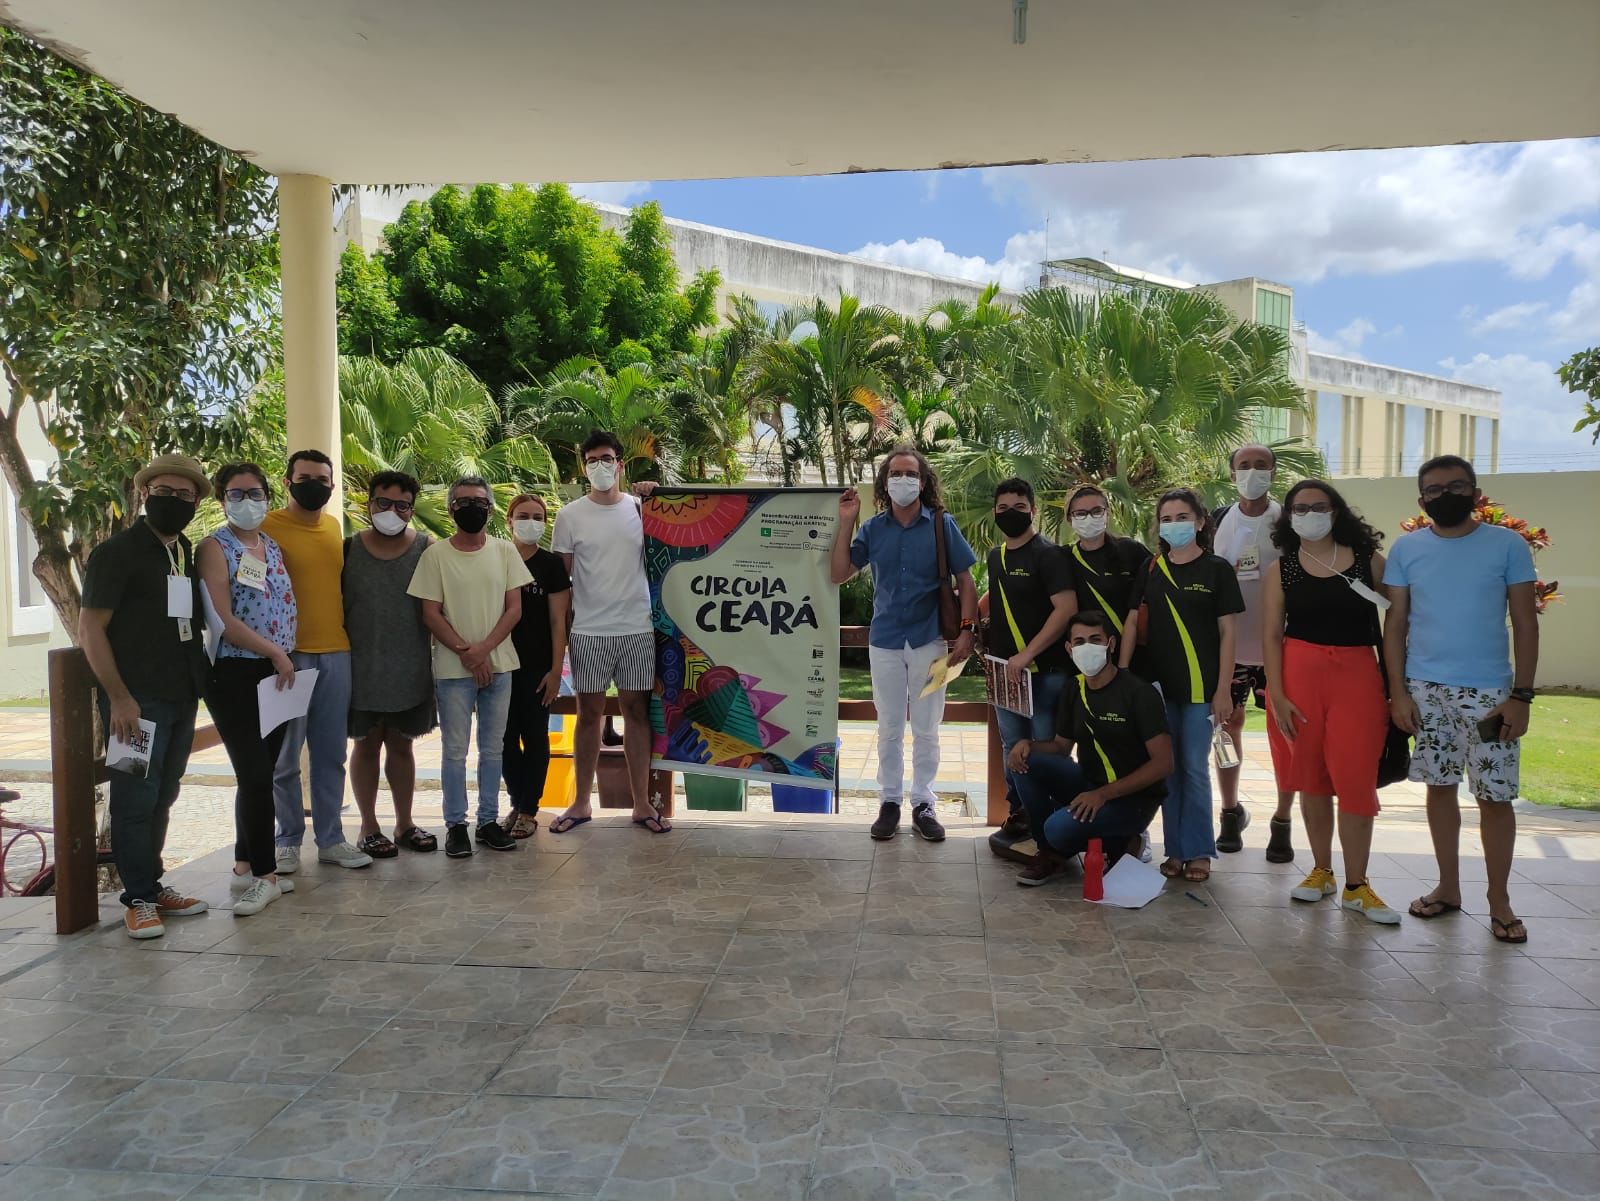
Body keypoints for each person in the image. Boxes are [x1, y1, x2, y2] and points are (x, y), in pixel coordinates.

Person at [1385, 455, 1539, 944]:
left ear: (1475, 492)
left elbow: (1526, 623)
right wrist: (1398, 692)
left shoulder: (1508, 545)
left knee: (1495, 797)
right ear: (1421, 500)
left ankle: (1500, 900)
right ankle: (1448, 888)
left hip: (1492, 694)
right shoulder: (1407, 549)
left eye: (1456, 486)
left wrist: (1521, 696)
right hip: (1425, 691)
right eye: (1434, 489)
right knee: (1439, 788)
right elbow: (1396, 624)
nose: (1445, 495)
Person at [79, 453, 212, 938]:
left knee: (164, 794)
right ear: (144, 495)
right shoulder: (116, 554)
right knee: (134, 798)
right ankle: (136, 898)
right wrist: (119, 697)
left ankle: (152, 886)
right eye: (164, 492)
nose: (174, 501)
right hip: (134, 704)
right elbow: (90, 629)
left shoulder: (184, 552)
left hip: (180, 697)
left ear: (196, 502)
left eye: (184, 494)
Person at [1262, 480, 1399, 923]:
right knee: (1312, 778)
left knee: (1356, 778)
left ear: (1336, 512)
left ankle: (1358, 884)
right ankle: (1321, 870)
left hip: (1357, 676)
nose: (1309, 515)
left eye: (1318, 506)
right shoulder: (1282, 569)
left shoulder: (1368, 561)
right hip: (1299, 676)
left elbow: (1399, 616)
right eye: (1299, 508)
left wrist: (1398, 683)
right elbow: (1271, 634)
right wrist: (1277, 694)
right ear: (1288, 517)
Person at [832, 445, 978, 842]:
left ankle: (924, 803)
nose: (903, 480)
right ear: (884, 482)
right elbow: (839, 573)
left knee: (928, 726)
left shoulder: (941, 524)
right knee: (889, 725)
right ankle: (890, 801)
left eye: (911, 474)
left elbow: (966, 580)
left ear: (923, 481)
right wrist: (847, 521)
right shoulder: (873, 528)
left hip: (931, 642)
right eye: (895, 473)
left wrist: (967, 631)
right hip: (885, 642)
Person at [547, 431, 667, 834]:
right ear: (584, 468)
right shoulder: (569, 516)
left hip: (637, 629)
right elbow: (560, 585)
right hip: (589, 632)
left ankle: (641, 804)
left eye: (607, 459)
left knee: (636, 713)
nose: (600, 466)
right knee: (588, 716)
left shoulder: (641, 508)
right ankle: (581, 803)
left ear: (620, 464)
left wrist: (653, 493)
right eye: (592, 460)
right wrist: (562, 637)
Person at [1123, 488, 1243, 883]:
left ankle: (1199, 851)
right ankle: (1174, 850)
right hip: (1158, 689)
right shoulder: (1152, 568)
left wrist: (1223, 690)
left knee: (1193, 768)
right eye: (1167, 519)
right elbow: (1131, 622)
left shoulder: (1217, 570)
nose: (1174, 525)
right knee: (1168, 770)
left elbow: (1228, 634)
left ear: (1201, 521)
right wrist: (1122, 673)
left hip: (1200, 690)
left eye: (1182, 517)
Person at [408, 476, 532, 857]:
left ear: (490, 509)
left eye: (478, 501)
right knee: (454, 751)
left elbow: (514, 609)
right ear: (451, 509)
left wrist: (483, 651)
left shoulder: (505, 551)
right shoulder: (435, 556)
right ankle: (456, 825)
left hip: (500, 665)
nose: (471, 508)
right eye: (462, 502)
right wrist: (467, 652)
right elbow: (430, 613)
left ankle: (488, 821)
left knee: (493, 749)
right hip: (452, 669)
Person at [262, 449, 372, 874]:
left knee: (331, 753)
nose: (315, 486)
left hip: (336, 653)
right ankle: (287, 840)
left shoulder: (332, 527)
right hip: (287, 657)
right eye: (305, 478)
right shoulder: (266, 527)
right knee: (284, 758)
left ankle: (331, 839)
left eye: (323, 480)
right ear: (287, 482)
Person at [196, 463, 299, 916]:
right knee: (254, 774)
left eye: (254, 493)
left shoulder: (270, 546)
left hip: (275, 674)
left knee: (261, 772)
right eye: (235, 494)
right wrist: (276, 653)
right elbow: (225, 620)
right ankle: (266, 876)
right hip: (235, 672)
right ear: (222, 500)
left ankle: (243, 866)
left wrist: (281, 656)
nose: (246, 502)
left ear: (267, 497)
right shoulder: (213, 548)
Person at [1008, 611, 1172, 886]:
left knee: (1057, 829)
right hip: (1089, 784)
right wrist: (1027, 745)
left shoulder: (1139, 693)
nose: (1087, 648)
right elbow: (1061, 747)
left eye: (1095, 640)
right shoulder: (1074, 688)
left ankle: (1121, 841)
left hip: (1132, 800)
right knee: (1025, 761)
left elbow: (1164, 763)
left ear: (1111, 644)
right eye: (1079, 642)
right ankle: (1048, 853)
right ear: (1069, 649)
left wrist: (1103, 794)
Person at [343, 470, 438, 857]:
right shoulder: (347, 550)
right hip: (360, 668)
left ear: (412, 510)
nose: (392, 511)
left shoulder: (428, 549)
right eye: (384, 503)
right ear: (369, 503)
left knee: (402, 746)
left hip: (410, 668)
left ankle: (405, 824)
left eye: (402, 505)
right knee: (366, 746)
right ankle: (368, 826)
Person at [1210, 444, 1295, 861]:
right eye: (1244, 466)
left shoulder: (1289, 522)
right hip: (1230, 650)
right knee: (1226, 730)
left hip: (1281, 649)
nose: (1252, 472)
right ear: (1232, 474)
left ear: (1273, 472)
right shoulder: (1217, 521)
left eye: (1261, 466)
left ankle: (1283, 819)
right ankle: (1230, 813)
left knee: (1287, 733)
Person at [982, 478, 1076, 839]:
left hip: (1045, 672)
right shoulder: (996, 556)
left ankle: (1054, 825)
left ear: (1033, 510)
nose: (1011, 514)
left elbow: (1065, 608)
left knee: (1044, 750)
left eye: (1019, 507)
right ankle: (1020, 813)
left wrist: (1027, 654)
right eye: (1003, 508)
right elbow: (998, 596)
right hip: (1005, 671)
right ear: (994, 512)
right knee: (1011, 746)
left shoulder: (1049, 554)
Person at [502, 492, 572, 838]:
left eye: (538, 517)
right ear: (509, 521)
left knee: (534, 736)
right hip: (499, 665)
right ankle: (516, 802)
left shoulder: (551, 565)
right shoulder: (496, 558)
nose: (531, 523)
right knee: (503, 740)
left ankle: (529, 809)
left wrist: (555, 671)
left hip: (537, 667)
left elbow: (559, 622)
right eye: (523, 516)